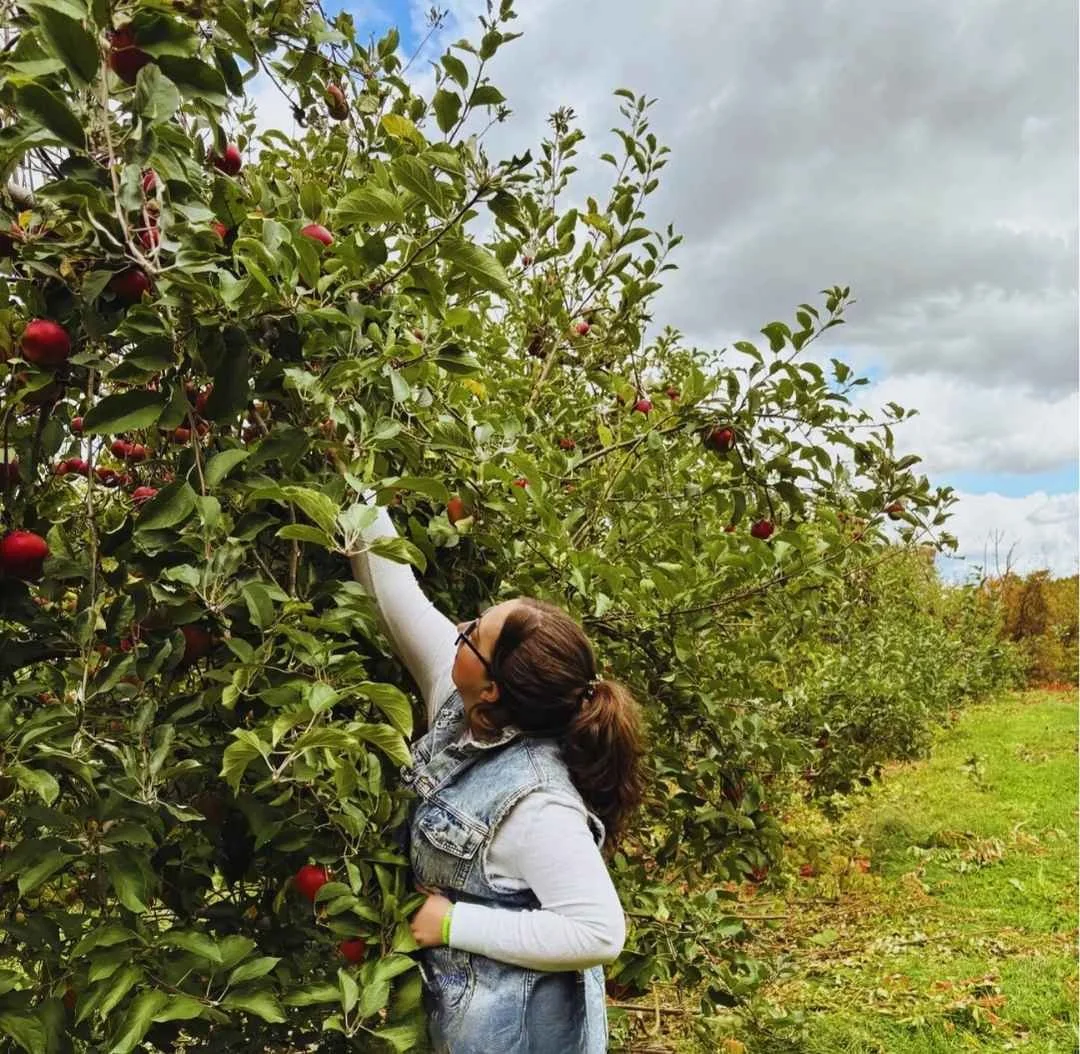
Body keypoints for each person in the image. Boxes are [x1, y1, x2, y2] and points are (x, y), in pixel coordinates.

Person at [349, 493, 646, 1053]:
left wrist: (454, 924)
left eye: (473, 634)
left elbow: (599, 932)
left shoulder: (537, 803)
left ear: (492, 688)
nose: (458, 627)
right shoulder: (462, 699)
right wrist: (352, 485)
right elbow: (395, 595)